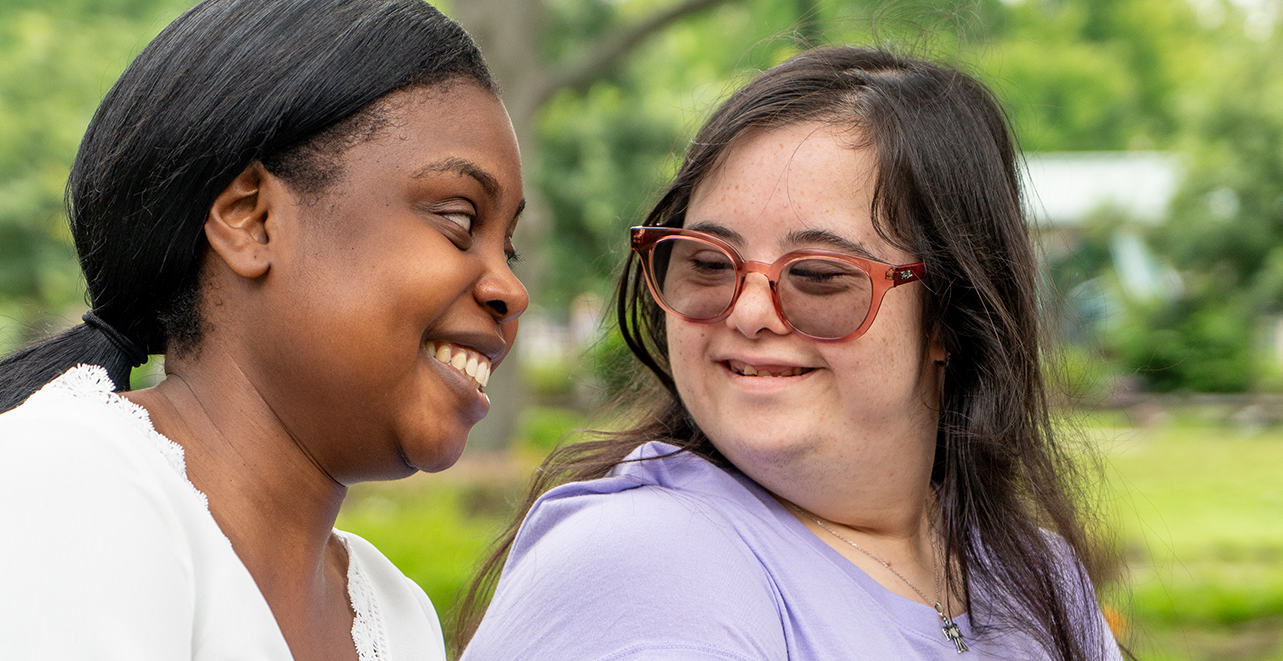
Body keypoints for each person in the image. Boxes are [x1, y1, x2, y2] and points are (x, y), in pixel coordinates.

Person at [0, 0, 526, 660]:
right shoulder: (61, 494)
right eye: (459, 221)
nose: (508, 290)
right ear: (251, 219)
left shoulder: (394, 616)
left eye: (512, 248)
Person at [456, 46, 1121, 661]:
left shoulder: (1040, 577)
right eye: (709, 263)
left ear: (950, 312)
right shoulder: (647, 556)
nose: (748, 312)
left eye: (821, 276)